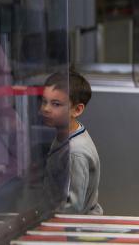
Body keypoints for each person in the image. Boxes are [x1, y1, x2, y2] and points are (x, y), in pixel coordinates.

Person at [41, 71, 103, 215]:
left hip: (77, 228)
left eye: (56, 104)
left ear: (77, 110)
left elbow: (73, 208)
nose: (46, 109)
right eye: (44, 101)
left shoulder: (75, 153)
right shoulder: (65, 134)